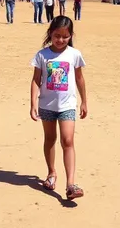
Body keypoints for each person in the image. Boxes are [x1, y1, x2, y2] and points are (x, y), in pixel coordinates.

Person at [30, 16, 88, 200]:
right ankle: (51, 173)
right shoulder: (42, 55)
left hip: (68, 105)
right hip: (46, 104)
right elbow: (36, 80)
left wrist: (84, 101)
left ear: (71, 36)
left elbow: (79, 78)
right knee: (50, 139)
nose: (61, 40)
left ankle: (71, 184)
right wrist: (32, 103)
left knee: (68, 140)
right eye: (57, 36)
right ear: (50, 33)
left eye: (65, 36)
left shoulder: (74, 54)